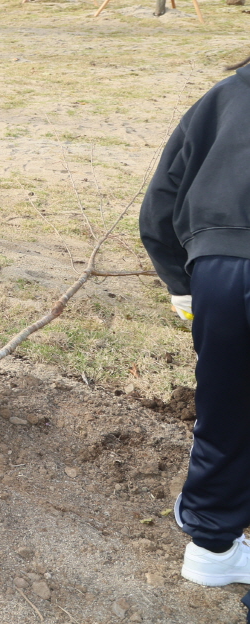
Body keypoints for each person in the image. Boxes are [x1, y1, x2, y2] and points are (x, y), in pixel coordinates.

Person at [139, 57, 250, 609]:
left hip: (220, 274)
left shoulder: (225, 97)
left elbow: (162, 198)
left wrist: (183, 281)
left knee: (225, 411)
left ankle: (212, 546)